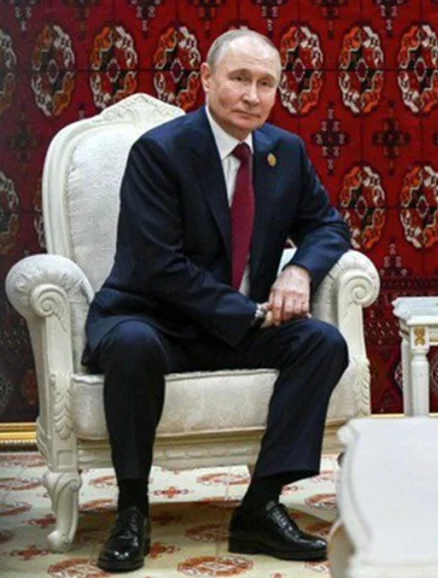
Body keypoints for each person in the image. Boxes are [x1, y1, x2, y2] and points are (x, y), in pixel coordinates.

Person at [83, 29, 351, 572]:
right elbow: (160, 267)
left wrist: (299, 270)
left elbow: (328, 226)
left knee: (322, 342)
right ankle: (131, 510)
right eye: (239, 79)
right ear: (206, 78)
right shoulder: (160, 152)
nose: (252, 96)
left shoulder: (285, 153)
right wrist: (251, 313)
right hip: (153, 320)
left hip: (238, 325)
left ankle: (260, 507)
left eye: (265, 83)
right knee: (131, 345)